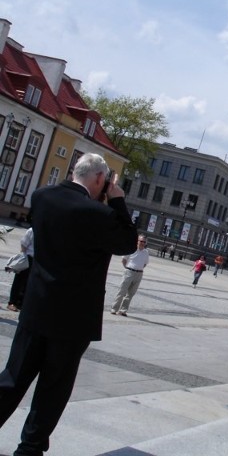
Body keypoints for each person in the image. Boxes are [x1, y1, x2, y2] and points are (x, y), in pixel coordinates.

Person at [0, 153, 137, 456]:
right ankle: (29, 448)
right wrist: (116, 202)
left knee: (13, 376)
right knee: (53, 386)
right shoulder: (99, 215)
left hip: (36, 306)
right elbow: (128, 242)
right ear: (100, 179)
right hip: (74, 317)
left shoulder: (41, 196)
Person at [110, 235, 150, 316]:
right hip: (129, 272)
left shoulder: (146, 252)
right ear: (137, 241)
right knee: (122, 291)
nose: (142, 243)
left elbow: (145, 263)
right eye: (141, 241)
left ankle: (123, 310)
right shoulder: (132, 249)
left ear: (146, 243)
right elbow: (124, 260)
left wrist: (138, 269)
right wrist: (127, 268)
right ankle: (114, 308)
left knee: (131, 293)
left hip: (139, 274)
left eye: (144, 242)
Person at [7, 228, 34, 312]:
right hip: (28, 258)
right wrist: (22, 258)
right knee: (19, 281)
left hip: (40, 261)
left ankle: (22, 303)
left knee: (30, 283)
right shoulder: (32, 230)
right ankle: (12, 303)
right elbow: (23, 245)